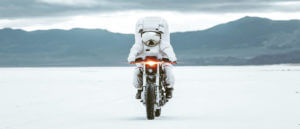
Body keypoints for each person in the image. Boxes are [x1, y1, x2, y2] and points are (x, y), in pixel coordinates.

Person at [128, 17, 177, 99]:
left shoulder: (162, 42)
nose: (150, 39)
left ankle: (169, 89)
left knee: (168, 70)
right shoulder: (140, 43)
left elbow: (167, 49)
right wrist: (132, 57)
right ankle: (139, 89)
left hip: (160, 61)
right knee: (137, 71)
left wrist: (172, 58)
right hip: (145, 61)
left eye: (154, 35)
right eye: (146, 35)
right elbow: (135, 48)